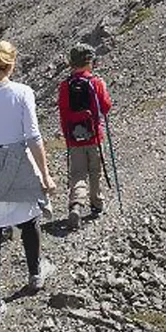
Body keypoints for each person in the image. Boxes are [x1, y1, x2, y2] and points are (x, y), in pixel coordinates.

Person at [0, 40, 57, 326]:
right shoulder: (22, 92)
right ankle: (35, 274)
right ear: (11, 63)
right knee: (29, 220)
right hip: (18, 160)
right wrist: (45, 173)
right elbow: (33, 137)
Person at [58, 42, 113, 231]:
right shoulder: (96, 82)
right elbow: (105, 107)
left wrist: (67, 134)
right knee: (95, 171)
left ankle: (76, 204)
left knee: (78, 172)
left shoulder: (65, 85)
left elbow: (63, 112)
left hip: (74, 137)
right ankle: (96, 203)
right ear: (89, 62)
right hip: (94, 136)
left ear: (72, 63)